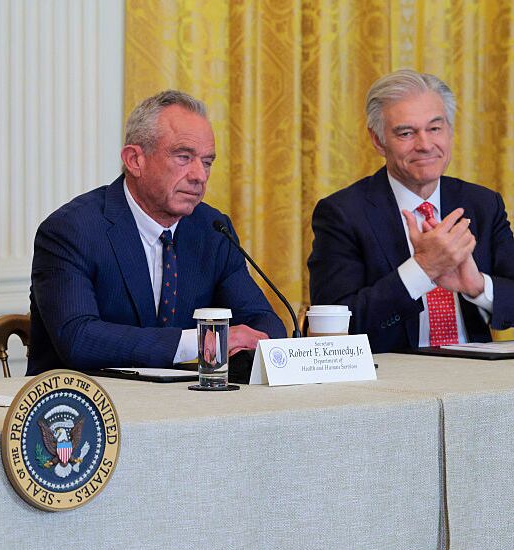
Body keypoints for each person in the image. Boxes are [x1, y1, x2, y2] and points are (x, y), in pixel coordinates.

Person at [27, 90, 285, 374]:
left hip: (187, 407)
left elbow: (263, 321)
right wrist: (203, 343)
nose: (200, 175)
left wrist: (247, 344)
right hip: (85, 408)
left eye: (207, 162)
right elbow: (78, 338)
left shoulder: (212, 230)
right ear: (135, 160)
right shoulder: (73, 231)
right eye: (184, 157)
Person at [308, 69, 514, 353]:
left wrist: (478, 286)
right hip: (395, 385)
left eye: (435, 128)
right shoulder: (343, 213)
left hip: (476, 378)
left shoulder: (483, 203)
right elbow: (334, 326)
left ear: (450, 131)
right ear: (378, 141)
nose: (425, 145)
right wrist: (423, 270)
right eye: (406, 133)